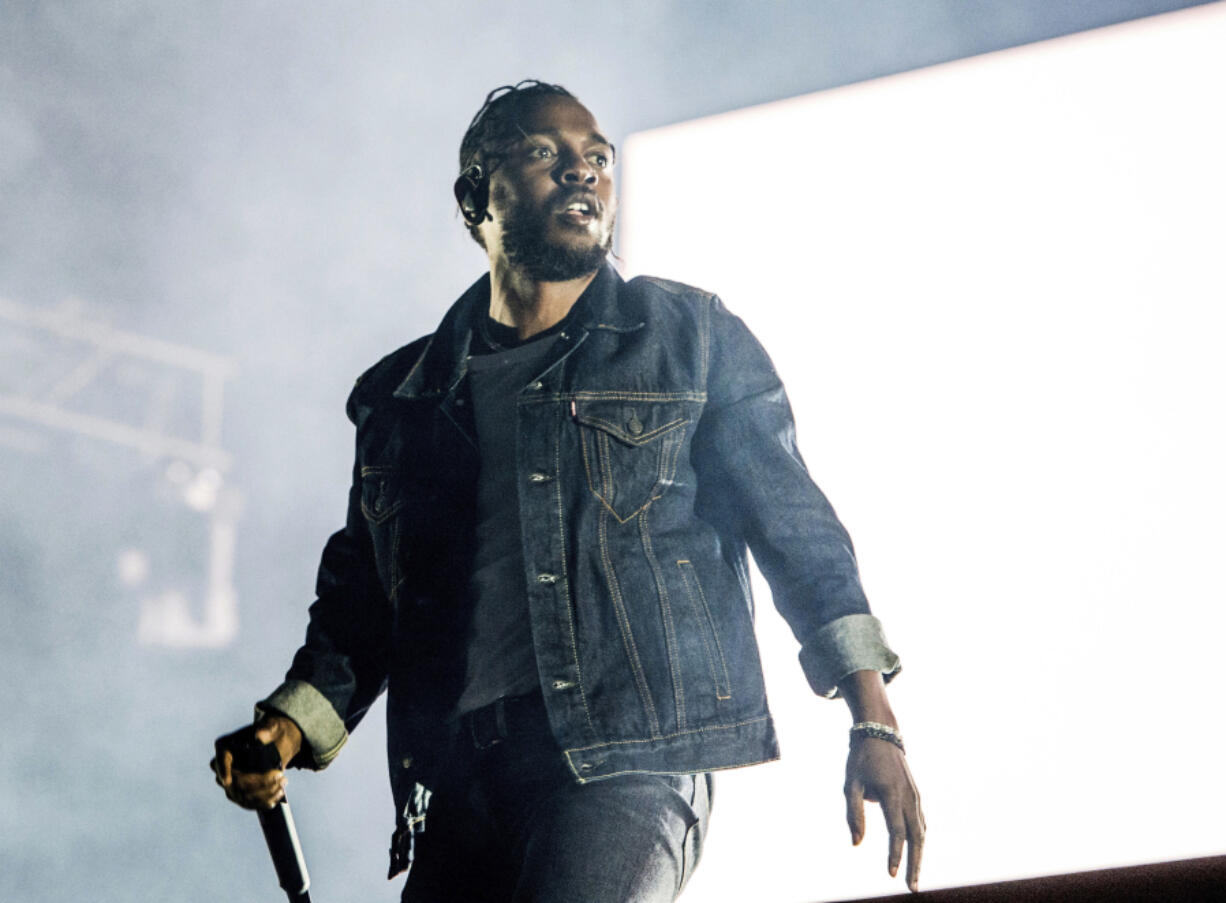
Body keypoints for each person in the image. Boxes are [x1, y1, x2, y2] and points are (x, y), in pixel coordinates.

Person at [212, 79, 925, 901]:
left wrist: (872, 717)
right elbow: (363, 609)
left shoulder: (689, 339)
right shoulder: (402, 397)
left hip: (626, 762)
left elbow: (796, 528)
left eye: (597, 159)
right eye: (547, 154)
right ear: (476, 193)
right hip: (460, 778)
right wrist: (287, 725)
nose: (582, 174)